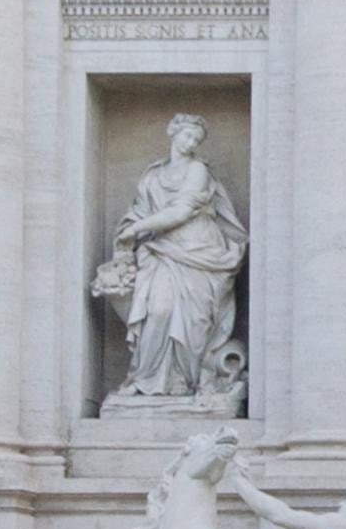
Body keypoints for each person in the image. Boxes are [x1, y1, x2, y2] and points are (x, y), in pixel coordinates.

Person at [105, 115, 247, 402]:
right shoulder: (153, 175)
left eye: (196, 139)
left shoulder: (197, 171)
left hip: (198, 250)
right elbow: (139, 210)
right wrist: (131, 230)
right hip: (160, 251)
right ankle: (144, 379)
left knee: (193, 321)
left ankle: (185, 381)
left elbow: (181, 212)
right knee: (157, 311)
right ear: (173, 134)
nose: (191, 143)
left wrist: (135, 230)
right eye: (187, 136)